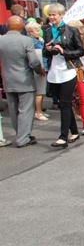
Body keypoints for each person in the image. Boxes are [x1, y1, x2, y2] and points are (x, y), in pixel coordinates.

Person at [43, 4, 84, 148]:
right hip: (54, 72)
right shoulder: (47, 31)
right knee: (63, 103)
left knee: (64, 103)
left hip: (68, 71)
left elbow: (80, 51)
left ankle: (63, 137)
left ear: (62, 15)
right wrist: (48, 49)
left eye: (55, 14)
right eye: (50, 14)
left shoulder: (72, 31)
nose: (52, 17)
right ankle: (74, 131)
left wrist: (63, 51)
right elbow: (45, 53)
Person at [0, 16, 44, 148]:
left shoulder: (1, 40)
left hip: (8, 78)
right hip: (24, 79)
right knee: (26, 109)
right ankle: (23, 138)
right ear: (22, 27)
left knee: (13, 109)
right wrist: (39, 70)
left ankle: (20, 133)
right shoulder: (26, 41)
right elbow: (33, 61)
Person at [25, 21, 49, 121]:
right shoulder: (34, 41)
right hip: (40, 67)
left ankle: (39, 111)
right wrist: (42, 41)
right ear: (30, 32)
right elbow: (39, 51)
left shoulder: (32, 40)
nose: (39, 32)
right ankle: (38, 112)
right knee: (40, 90)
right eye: (37, 30)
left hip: (39, 66)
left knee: (41, 90)